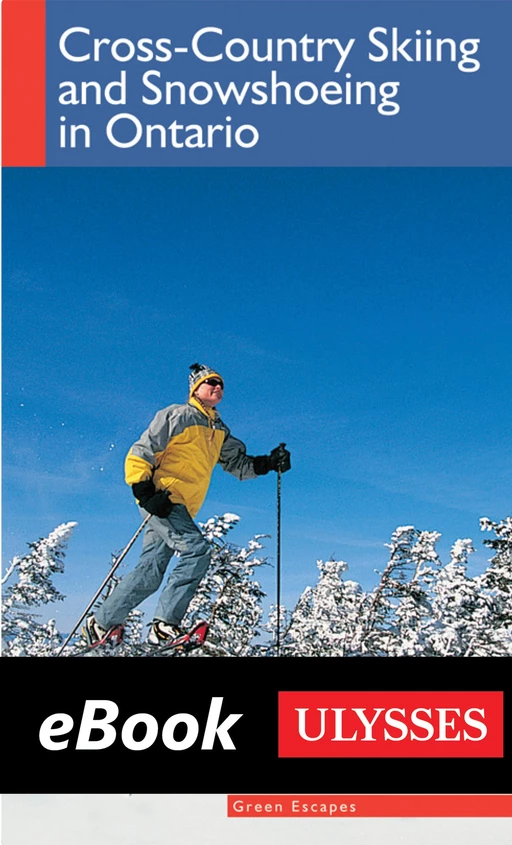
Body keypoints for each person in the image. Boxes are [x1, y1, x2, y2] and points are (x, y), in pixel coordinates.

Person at [85, 363, 291, 646]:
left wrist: (269, 463)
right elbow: (142, 450)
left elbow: (238, 464)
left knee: (150, 572)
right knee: (197, 550)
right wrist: (144, 490)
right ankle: (163, 626)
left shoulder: (219, 430)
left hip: (179, 507)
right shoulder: (176, 415)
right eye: (211, 383)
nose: (217, 387)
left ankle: (101, 623)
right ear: (196, 389)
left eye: (220, 384)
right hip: (162, 499)